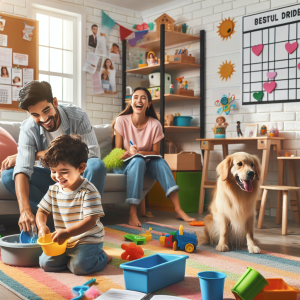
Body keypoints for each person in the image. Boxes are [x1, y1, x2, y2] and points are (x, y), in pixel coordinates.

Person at [1, 81, 106, 233]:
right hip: (51, 177)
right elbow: (22, 168)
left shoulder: (78, 116)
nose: (44, 119)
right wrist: (25, 210)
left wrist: (46, 153)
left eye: (46, 110)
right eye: (35, 115)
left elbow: (92, 154)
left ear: (55, 102)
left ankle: (87, 223)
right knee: (8, 175)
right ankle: (58, 218)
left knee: (96, 165)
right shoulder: (28, 128)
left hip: (77, 176)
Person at [111, 87, 196, 227]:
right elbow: (117, 153)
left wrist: (140, 153)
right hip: (123, 164)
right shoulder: (121, 121)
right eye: (136, 97)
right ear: (131, 102)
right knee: (137, 160)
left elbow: (156, 152)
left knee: (160, 162)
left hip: (145, 162)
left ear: (149, 103)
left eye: (143, 98)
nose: (139, 100)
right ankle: (133, 212)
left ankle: (178, 209)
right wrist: (129, 153)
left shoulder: (155, 124)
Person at [37, 134, 112, 275]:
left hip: (87, 239)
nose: (58, 176)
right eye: (53, 171)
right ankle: (71, 258)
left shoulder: (88, 191)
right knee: (45, 264)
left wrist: (67, 233)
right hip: (64, 241)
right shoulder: (54, 189)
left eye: (64, 172)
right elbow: (42, 211)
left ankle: (102, 257)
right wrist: (42, 226)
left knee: (79, 268)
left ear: (81, 167)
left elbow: (91, 221)